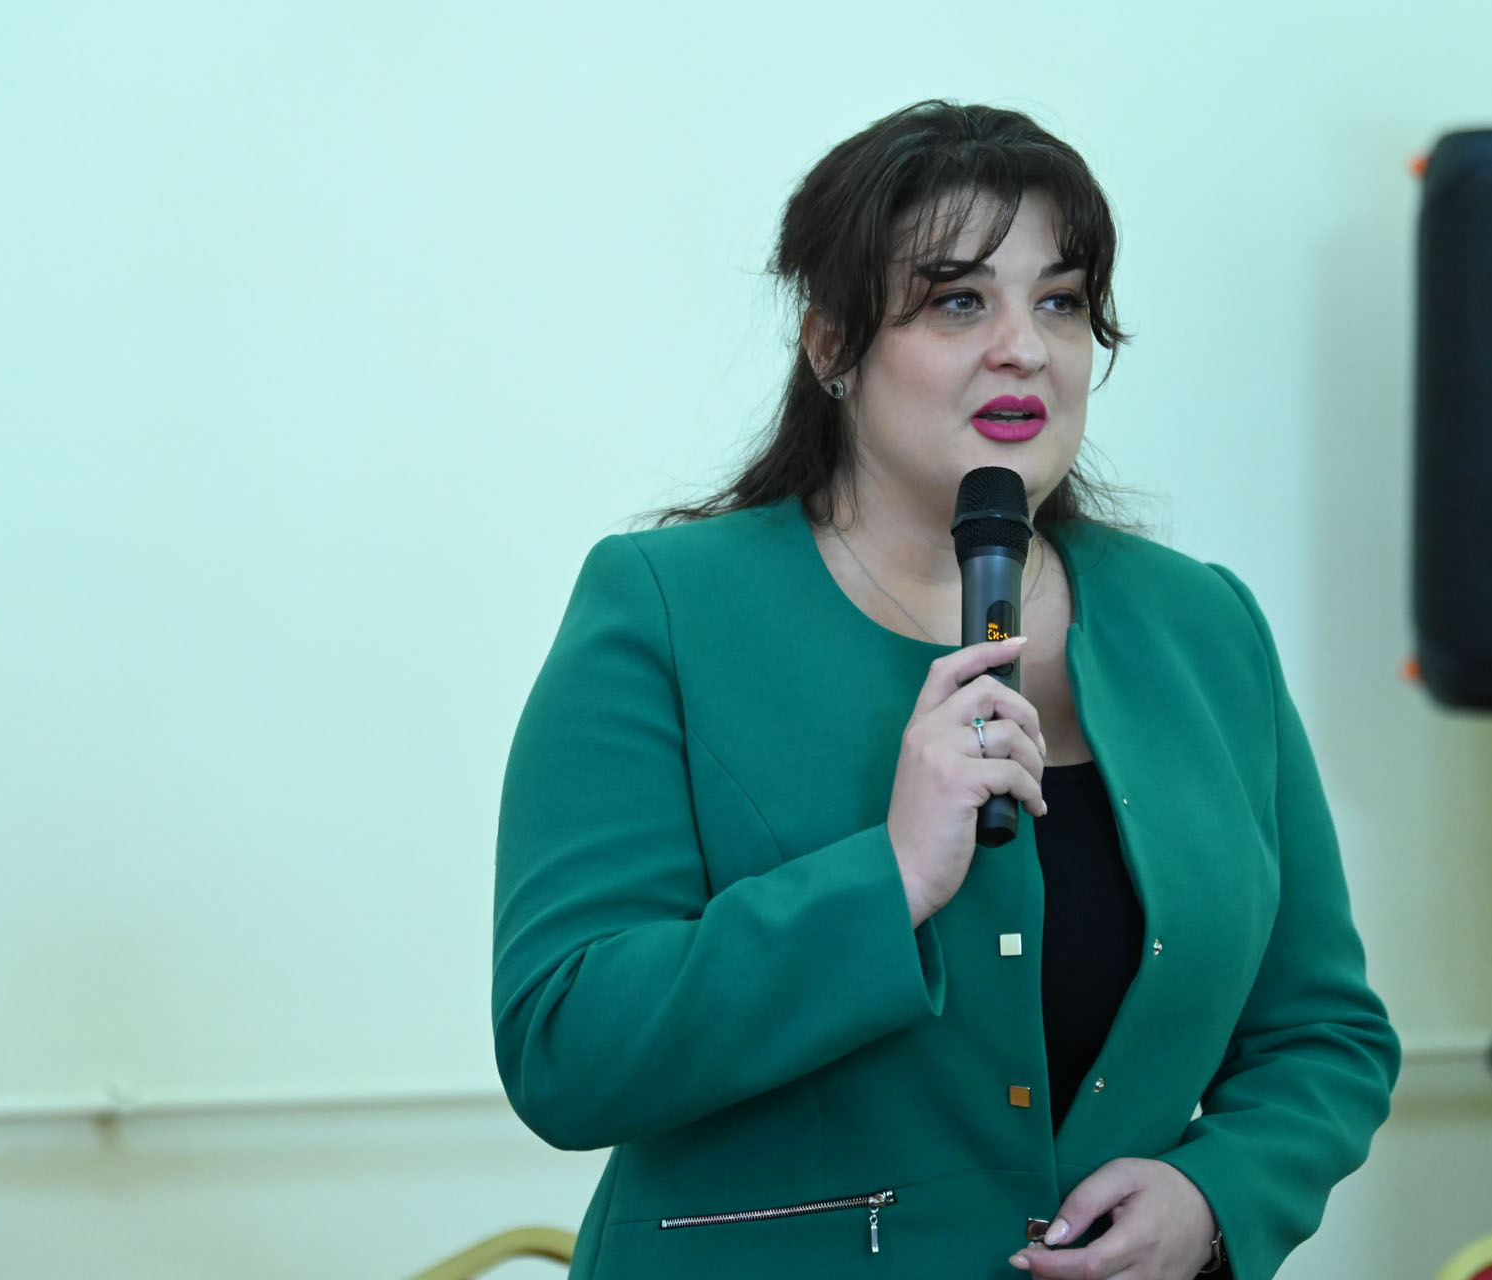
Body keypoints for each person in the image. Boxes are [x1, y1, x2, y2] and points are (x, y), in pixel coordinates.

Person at [492, 101, 1398, 1280]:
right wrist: (891, 877)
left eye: (1060, 301)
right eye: (959, 300)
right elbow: (564, 1044)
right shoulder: (665, 607)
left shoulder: (1204, 624)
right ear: (831, 344)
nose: (1024, 346)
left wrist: (1214, 1195)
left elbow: (1323, 1031)